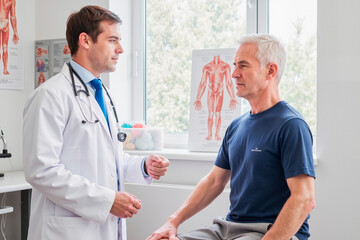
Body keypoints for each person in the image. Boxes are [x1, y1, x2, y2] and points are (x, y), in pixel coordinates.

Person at [147, 34, 316, 240]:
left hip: (268, 231)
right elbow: (214, 181)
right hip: (228, 228)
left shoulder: (291, 125)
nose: (234, 74)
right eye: (234, 65)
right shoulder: (237, 126)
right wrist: (172, 222)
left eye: (243, 66)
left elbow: (304, 199)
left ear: (270, 70)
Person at [23, 5, 169, 240]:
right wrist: (107, 200)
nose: (120, 49)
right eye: (112, 40)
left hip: (101, 228)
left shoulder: (101, 94)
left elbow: (107, 160)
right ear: (85, 40)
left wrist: (142, 166)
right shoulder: (50, 96)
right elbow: (41, 170)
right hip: (65, 231)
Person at [193, 56, 237, 141]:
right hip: (210, 91)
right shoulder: (207, 66)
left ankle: (216, 134)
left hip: (220, 91)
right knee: (210, 114)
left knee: (217, 114)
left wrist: (232, 97)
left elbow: (228, 82)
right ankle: (209, 135)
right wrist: (198, 98)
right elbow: (203, 83)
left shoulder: (225, 66)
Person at [0, 0, 19, 75]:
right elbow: (13, 17)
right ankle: (5, 70)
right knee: (5, 48)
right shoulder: (11, 1)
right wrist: (15, 32)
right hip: (5, 22)